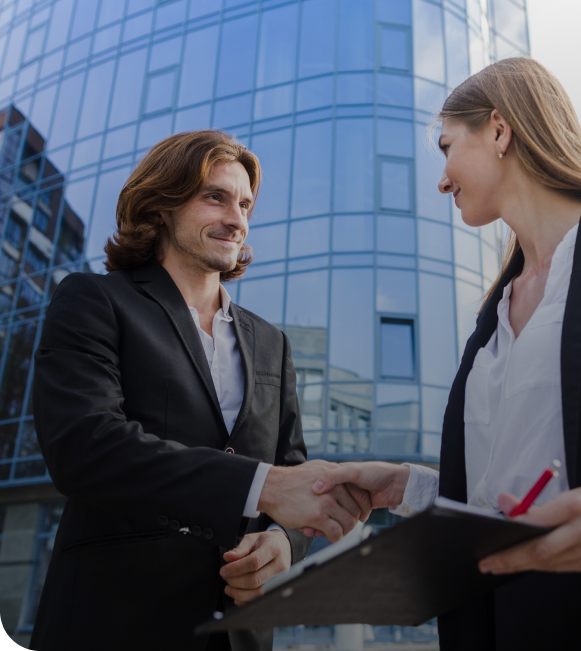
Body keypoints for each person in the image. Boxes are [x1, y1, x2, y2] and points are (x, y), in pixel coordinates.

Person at [313, 58, 581, 650]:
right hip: (503, 624)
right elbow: (515, 491)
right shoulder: (493, 312)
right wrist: (408, 487)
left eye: (446, 147)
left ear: (498, 130)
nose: (441, 179)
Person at [30, 131, 370, 651]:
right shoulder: (93, 301)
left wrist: (282, 543)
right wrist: (261, 486)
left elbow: (294, 475)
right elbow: (86, 447)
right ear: (160, 204)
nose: (237, 219)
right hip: (117, 625)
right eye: (215, 197)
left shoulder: (271, 343)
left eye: (245, 204)